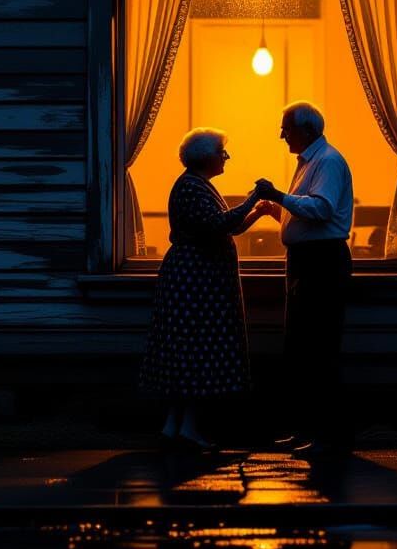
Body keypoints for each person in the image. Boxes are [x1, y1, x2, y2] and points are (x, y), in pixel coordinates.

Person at [140, 127, 272, 450]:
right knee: (194, 353)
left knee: (186, 353)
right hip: (193, 284)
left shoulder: (198, 186)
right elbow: (218, 224)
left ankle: (174, 427)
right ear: (205, 157)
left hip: (195, 282)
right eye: (222, 152)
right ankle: (186, 428)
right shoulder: (191, 188)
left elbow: (232, 224)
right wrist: (255, 197)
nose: (225, 158)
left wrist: (257, 211)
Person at [255, 101, 354, 454]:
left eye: (287, 128)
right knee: (303, 348)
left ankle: (326, 436)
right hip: (309, 260)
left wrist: (278, 196)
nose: (282, 135)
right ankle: (309, 431)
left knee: (317, 347)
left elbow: (322, 208)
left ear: (306, 130)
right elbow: (310, 213)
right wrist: (278, 211)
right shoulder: (313, 162)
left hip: (320, 263)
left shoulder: (326, 162)